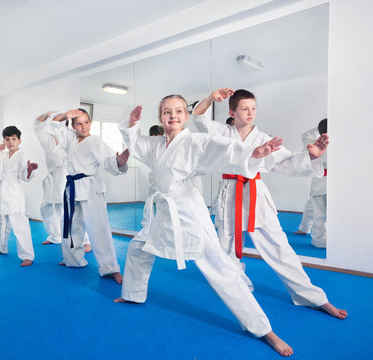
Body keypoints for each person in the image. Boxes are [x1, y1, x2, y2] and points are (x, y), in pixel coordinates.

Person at [116, 95, 293, 357]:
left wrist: (251, 154)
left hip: (189, 215)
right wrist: (131, 125)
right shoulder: (156, 145)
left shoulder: (195, 142)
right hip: (164, 212)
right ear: (161, 117)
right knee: (139, 248)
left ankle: (264, 330)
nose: (173, 115)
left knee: (221, 269)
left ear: (186, 117)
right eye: (167, 111)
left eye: (178, 111)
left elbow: (222, 147)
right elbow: (136, 144)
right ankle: (132, 293)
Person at [192, 88, 346, 319]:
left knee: (280, 248)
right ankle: (239, 289)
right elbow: (200, 119)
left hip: (256, 195)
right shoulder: (222, 132)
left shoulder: (264, 139)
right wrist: (210, 99)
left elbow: (285, 164)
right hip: (229, 195)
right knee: (227, 250)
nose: (250, 113)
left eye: (253, 108)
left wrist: (312, 155)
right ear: (232, 112)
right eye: (244, 109)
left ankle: (313, 297)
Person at [50, 108, 129, 284]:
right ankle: (73, 260)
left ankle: (111, 268)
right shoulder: (70, 139)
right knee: (71, 225)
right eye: (79, 123)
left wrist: (119, 162)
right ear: (73, 125)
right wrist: (65, 115)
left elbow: (110, 160)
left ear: (90, 123)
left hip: (91, 187)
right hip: (72, 187)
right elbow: (55, 123)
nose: (83, 127)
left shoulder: (95, 142)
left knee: (98, 228)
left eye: (86, 122)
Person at [34, 112, 92, 252]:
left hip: (66, 176)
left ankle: (85, 240)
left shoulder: (71, 139)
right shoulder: (47, 138)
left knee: (72, 211)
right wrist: (48, 113)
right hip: (51, 178)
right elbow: (37, 125)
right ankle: (55, 236)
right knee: (46, 207)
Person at [0, 126, 38, 266]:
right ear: (4, 140)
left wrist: (29, 170)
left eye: (14, 139)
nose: (10, 142)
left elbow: (23, 176)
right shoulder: (1, 154)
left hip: (13, 192)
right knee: (0, 222)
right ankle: (1, 247)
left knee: (19, 224)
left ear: (19, 140)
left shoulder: (22, 155)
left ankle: (27, 255)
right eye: (7, 139)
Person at [308, 119, 328, 248]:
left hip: (317, 184)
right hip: (325, 183)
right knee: (322, 215)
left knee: (319, 215)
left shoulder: (313, 146)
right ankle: (320, 240)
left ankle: (319, 240)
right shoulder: (321, 147)